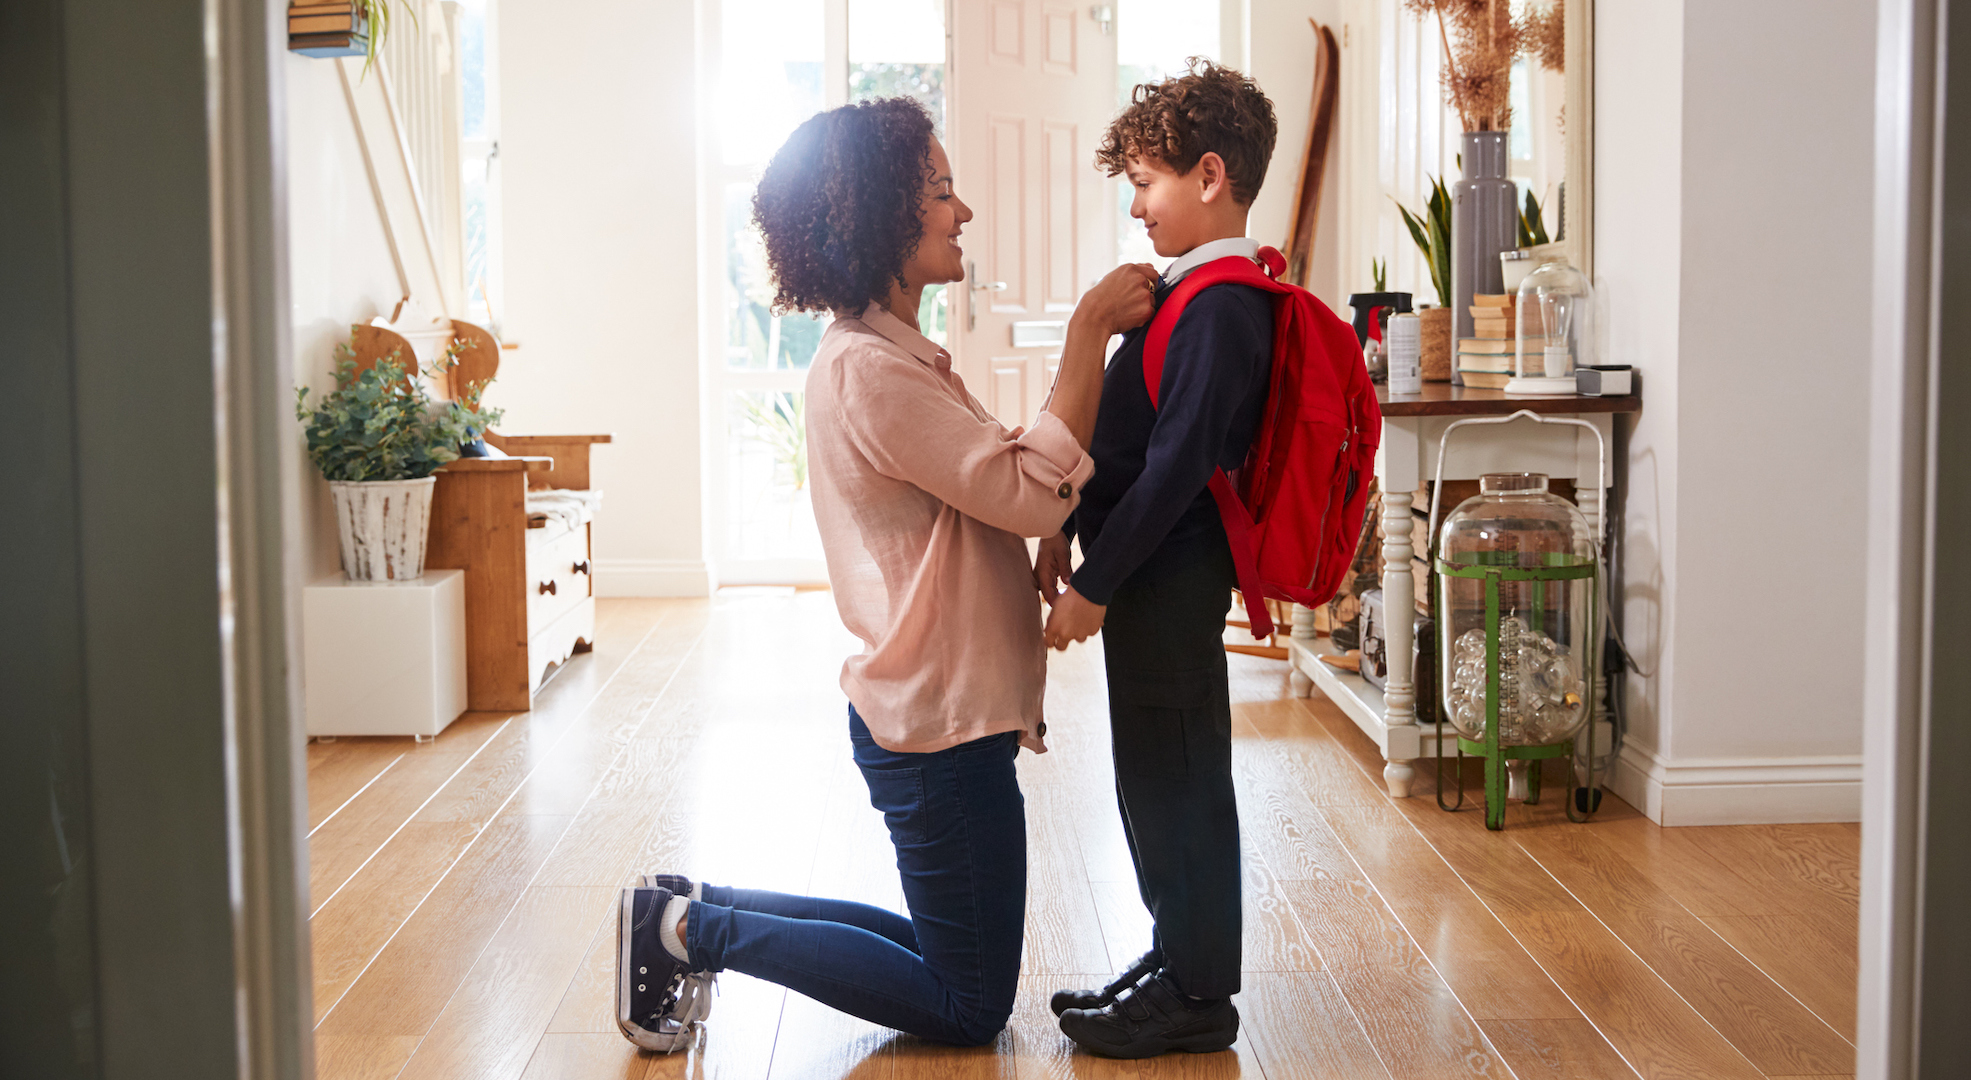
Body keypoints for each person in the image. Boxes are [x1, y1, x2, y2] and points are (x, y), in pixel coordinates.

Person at [614, 96, 1160, 1052]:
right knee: (966, 1002)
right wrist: (1086, 335)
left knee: (949, 954)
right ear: (878, 220)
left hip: (937, 716)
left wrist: (1035, 521)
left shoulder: (888, 356)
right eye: (942, 193)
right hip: (939, 730)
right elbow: (1028, 490)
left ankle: (690, 907)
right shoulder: (872, 370)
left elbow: (991, 489)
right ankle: (691, 932)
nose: (964, 213)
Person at [1034, 60, 1281, 1059]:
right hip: (1148, 576)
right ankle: (1175, 957)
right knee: (1151, 773)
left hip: (1168, 577)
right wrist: (1065, 524)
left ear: (1209, 175)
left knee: (1178, 778)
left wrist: (1095, 585)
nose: (1136, 205)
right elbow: (1132, 441)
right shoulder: (1190, 293)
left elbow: (1178, 467)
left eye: (1146, 182)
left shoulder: (1223, 304)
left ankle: (1199, 992)